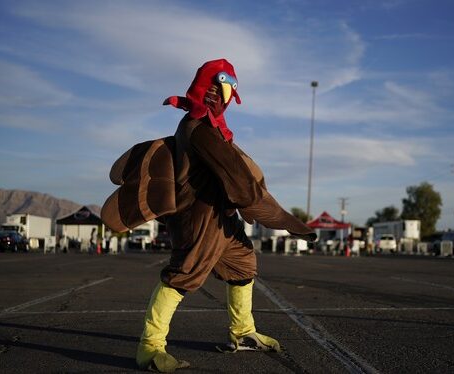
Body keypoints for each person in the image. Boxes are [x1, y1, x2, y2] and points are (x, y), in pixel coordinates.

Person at [101, 59, 316, 372]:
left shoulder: (208, 127)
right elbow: (241, 183)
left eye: (229, 89)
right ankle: (150, 347)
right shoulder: (201, 128)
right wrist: (285, 221)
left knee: (243, 263)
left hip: (219, 216)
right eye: (218, 87)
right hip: (199, 218)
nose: (224, 95)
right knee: (183, 275)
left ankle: (242, 333)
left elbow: (237, 175)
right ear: (205, 88)